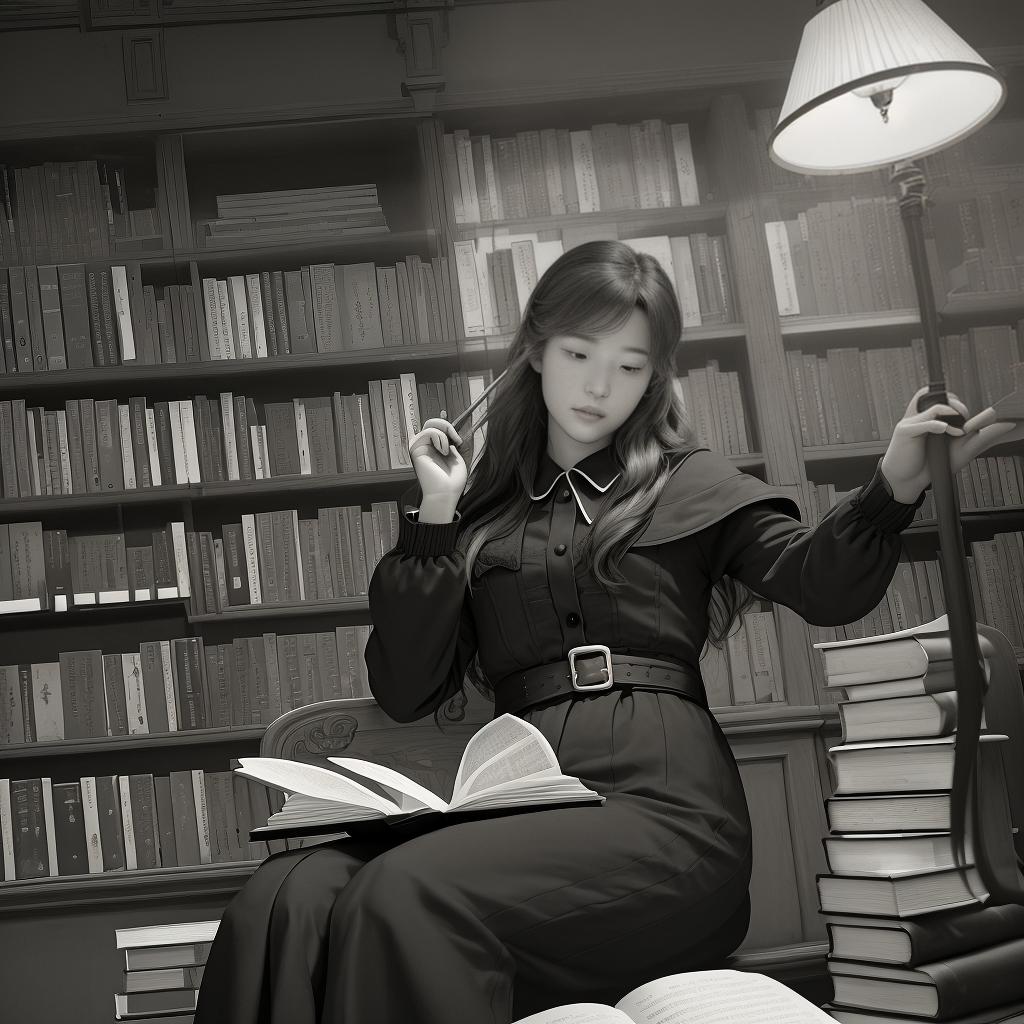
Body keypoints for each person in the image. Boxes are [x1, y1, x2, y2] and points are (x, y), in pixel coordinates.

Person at [194, 240, 1018, 1024]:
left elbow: (820, 582)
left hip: (668, 815)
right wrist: (438, 510)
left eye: (629, 367)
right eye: (580, 355)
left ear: (653, 378)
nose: (599, 387)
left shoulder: (689, 482)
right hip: (519, 810)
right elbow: (407, 688)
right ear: (537, 351)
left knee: (405, 887)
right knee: (288, 896)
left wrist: (894, 483)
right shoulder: (483, 511)